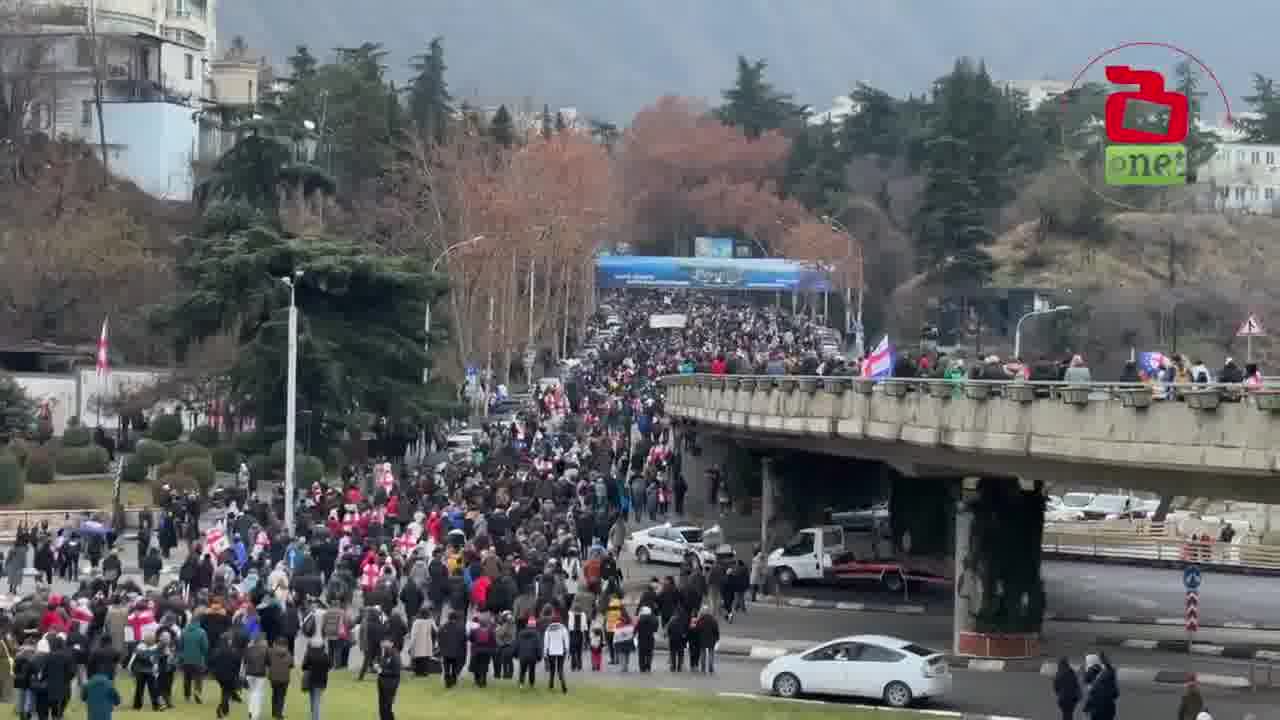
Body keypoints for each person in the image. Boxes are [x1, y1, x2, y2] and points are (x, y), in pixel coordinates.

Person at [126, 631, 161, 712]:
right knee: (152, 690)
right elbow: (155, 661)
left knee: (140, 689)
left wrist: (130, 668)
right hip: (148, 672)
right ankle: (156, 706)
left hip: (141, 671)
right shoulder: (155, 648)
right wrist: (156, 672)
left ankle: (137, 706)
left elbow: (132, 659)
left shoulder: (140, 647)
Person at [209, 635, 241, 720]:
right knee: (227, 692)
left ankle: (225, 710)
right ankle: (221, 708)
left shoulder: (217, 650)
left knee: (224, 691)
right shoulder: (233, 651)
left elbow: (211, 661)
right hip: (229, 675)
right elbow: (237, 663)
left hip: (219, 675)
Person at [179, 614, 208, 704]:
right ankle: (197, 694)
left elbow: (180, 645)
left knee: (187, 678)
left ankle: (187, 696)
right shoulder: (202, 632)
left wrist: (182, 656)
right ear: (198, 622)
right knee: (198, 679)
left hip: (186, 659)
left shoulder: (183, 631)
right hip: (198, 659)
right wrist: (203, 655)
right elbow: (205, 647)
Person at [300, 638, 329, 720]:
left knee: (313, 699)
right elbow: (329, 666)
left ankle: (314, 717)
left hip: (310, 679)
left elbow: (303, 667)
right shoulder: (325, 655)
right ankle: (315, 717)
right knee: (316, 700)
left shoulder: (309, 654)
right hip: (321, 680)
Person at [241, 635, 269, 720]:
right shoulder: (265, 650)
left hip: (249, 673)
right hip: (261, 674)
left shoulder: (248, 650)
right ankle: (256, 714)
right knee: (258, 693)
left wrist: (242, 674)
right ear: (261, 641)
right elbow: (268, 663)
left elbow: (244, 663)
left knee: (251, 693)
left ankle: (250, 711)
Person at [437, 612, 466, 689]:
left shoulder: (443, 627)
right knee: (454, 667)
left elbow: (439, 639)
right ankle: (453, 680)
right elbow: (463, 640)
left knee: (446, 666)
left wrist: (441, 648)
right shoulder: (461, 628)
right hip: (456, 651)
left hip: (446, 651)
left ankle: (447, 680)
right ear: (456, 618)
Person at [266, 638, 292, 720]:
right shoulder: (288, 654)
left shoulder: (271, 652)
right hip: (284, 678)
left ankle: (274, 712)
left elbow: (267, 662)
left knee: (275, 694)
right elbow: (291, 664)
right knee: (281, 696)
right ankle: (279, 714)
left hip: (273, 677)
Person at [543, 611, 569, 693]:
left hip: (551, 651)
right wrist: (567, 650)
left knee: (552, 670)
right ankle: (563, 685)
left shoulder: (548, 629)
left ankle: (551, 685)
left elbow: (546, 642)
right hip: (561, 651)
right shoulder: (563, 628)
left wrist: (545, 653)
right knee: (560, 669)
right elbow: (566, 640)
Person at [406, 607, 437, 676]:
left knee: (418, 659)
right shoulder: (430, 621)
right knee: (425, 659)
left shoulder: (416, 622)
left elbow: (413, 635)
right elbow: (436, 630)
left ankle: (418, 673)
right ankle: (425, 672)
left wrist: (411, 646)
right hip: (427, 643)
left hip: (418, 644)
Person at [467, 614, 495, 687]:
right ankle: (483, 681)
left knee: (476, 666)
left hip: (476, 650)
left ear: (479, 623)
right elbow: (493, 641)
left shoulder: (474, 631)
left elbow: (470, 639)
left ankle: (477, 680)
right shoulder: (490, 632)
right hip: (486, 651)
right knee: (484, 666)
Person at [374, 639, 400, 720]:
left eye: (386, 642)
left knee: (387, 706)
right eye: (383, 642)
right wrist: (376, 664)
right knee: (381, 705)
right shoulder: (383, 652)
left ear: (391, 643)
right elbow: (376, 660)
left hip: (390, 684)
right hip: (381, 682)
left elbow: (396, 671)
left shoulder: (395, 654)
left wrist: (382, 671)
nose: (383, 643)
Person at [514, 617, 541, 688]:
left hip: (522, 655)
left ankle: (521, 684)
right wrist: (539, 656)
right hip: (533, 656)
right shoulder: (537, 634)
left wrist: (515, 654)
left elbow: (517, 644)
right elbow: (538, 646)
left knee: (522, 670)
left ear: (527, 625)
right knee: (532, 670)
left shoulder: (521, 633)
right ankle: (531, 684)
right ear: (534, 625)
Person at [635, 606, 659, 672]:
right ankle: (648, 666)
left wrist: (634, 634)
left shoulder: (640, 619)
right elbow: (656, 629)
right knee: (649, 653)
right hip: (650, 638)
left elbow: (636, 628)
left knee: (641, 654)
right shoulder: (654, 619)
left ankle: (642, 668)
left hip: (641, 638)